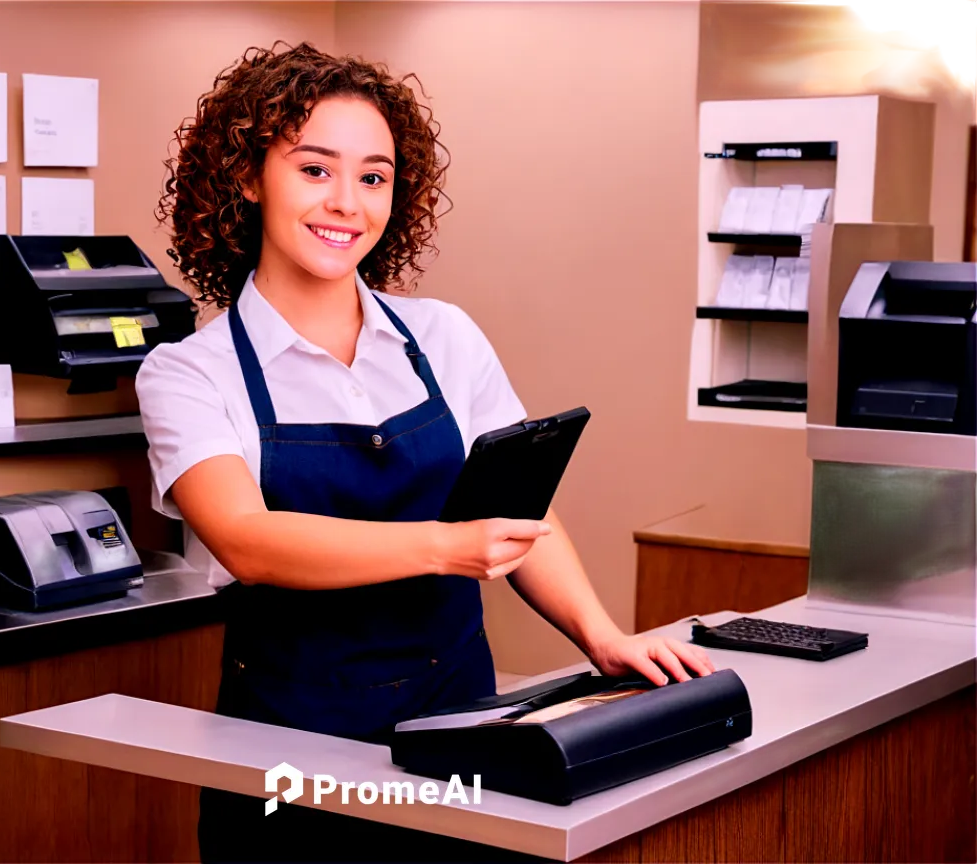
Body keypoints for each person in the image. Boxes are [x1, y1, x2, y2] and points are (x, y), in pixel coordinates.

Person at [136, 41, 714, 863]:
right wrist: (446, 547)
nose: (347, 203)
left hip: (460, 742)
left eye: (373, 176)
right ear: (246, 176)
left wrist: (601, 635)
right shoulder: (191, 371)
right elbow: (245, 539)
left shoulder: (444, 336)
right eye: (314, 170)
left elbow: (522, 514)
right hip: (293, 762)